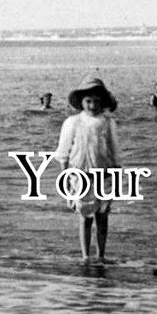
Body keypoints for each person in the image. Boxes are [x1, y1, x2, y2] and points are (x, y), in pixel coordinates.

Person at [52, 77, 119, 263]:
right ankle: (85, 255)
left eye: (97, 101)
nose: (92, 105)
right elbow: (63, 152)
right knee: (85, 216)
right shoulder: (72, 122)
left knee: (103, 215)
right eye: (88, 101)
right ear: (81, 102)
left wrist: (117, 176)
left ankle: (101, 255)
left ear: (103, 102)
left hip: (104, 174)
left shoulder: (108, 122)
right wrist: (64, 177)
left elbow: (115, 152)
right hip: (80, 174)